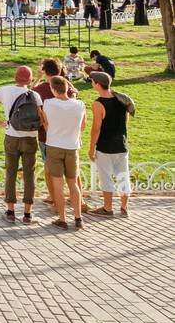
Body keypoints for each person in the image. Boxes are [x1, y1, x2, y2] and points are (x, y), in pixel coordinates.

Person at [0, 65, 45, 223]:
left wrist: (0, 122)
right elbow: (41, 118)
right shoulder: (35, 95)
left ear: (15, 77)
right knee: (29, 174)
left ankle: (10, 211)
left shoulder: (5, 90)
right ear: (29, 80)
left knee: (11, 172)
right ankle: (27, 214)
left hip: (11, 135)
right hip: (30, 137)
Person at [42, 75, 87, 230]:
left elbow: (46, 124)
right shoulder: (80, 105)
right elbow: (83, 126)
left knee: (57, 184)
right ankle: (78, 217)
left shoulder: (48, 103)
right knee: (73, 183)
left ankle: (62, 218)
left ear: (53, 90)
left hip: (54, 145)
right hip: (72, 146)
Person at [88, 71, 131, 217]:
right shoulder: (121, 98)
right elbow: (125, 120)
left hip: (105, 146)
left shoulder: (98, 103)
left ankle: (107, 208)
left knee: (106, 177)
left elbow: (96, 129)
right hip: (121, 144)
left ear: (98, 85)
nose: (91, 83)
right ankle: (124, 207)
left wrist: (91, 148)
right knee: (123, 176)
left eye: (92, 81)